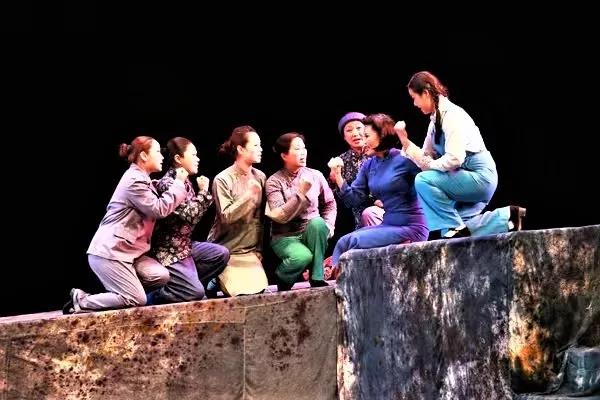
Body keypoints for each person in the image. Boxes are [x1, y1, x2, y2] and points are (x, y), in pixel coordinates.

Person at [63, 136, 188, 314]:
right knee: (136, 299)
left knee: (160, 275)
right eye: (158, 152)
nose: (162, 156)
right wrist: (178, 184)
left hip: (130, 253)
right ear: (143, 155)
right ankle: (82, 300)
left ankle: (126, 291)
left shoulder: (141, 179)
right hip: (111, 252)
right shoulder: (134, 180)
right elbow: (158, 209)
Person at [397, 71, 526, 239]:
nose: (414, 104)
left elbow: (455, 158)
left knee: (423, 180)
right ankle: (507, 217)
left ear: (426, 93)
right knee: (453, 232)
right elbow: (426, 157)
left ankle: (455, 227)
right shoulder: (435, 121)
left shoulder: (452, 115)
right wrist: (405, 142)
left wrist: (431, 165)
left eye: (414, 97)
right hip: (464, 178)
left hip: (479, 176)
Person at [330, 113, 428, 268]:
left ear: (382, 136)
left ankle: (340, 280)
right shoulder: (369, 165)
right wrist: (338, 176)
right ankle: (341, 279)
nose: (363, 141)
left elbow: (430, 177)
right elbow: (353, 199)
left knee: (352, 242)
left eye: (366, 136)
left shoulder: (404, 158)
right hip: (388, 224)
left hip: (411, 226)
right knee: (344, 242)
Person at [147, 137, 229, 304]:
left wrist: (202, 195)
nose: (197, 159)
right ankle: (156, 294)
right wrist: (203, 192)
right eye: (193, 155)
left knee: (220, 254)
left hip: (186, 246)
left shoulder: (186, 181)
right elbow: (190, 215)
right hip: (169, 252)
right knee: (195, 293)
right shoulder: (168, 183)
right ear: (178, 159)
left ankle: (187, 286)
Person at [266, 132, 337, 290]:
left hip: (311, 231)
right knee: (302, 256)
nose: (303, 152)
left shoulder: (315, 175)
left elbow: (329, 203)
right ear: (284, 155)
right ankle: (283, 278)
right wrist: (301, 193)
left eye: (304, 148)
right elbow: (280, 215)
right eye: (297, 149)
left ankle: (317, 277)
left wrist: (329, 225)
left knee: (318, 223)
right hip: (285, 235)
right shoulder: (274, 181)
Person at [207, 125, 269, 296]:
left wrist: (259, 249)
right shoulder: (222, 179)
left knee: (257, 289)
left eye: (260, 145)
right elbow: (226, 217)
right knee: (238, 292)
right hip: (226, 248)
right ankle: (215, 275)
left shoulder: (260, 177)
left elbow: (260, 219)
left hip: (248, 249)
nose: (260, 149)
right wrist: (248, 195)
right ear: (240, 149)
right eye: (255, 145)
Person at [330, 112, 384, 229]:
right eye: (349, 130)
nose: (355, 133)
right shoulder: (341, 161)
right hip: (362, 218)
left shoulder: (380, 151)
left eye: (359, 128)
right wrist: (336, 178)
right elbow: (346, 200)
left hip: (389, 207)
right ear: (344, 137)